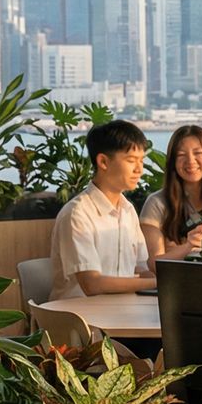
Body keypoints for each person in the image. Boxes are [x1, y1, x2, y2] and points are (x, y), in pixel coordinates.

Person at [49, 119, 153, 301]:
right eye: (131, 161)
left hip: (122, 310)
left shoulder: (128, 211)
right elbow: (92, 284)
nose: (139, 170)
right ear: (103, 162)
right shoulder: (77, 213)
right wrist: (156, 283)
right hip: (80, 321)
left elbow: (139, 268)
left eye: (141, 161)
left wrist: (169, 282)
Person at [141, 124, 202, 263]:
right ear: (172, 162)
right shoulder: (157, 203)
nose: (190, 161)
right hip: (177, 282)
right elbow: (154, 264)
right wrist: (189, 246)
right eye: (181, 155)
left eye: (198, 153)